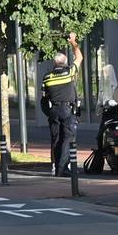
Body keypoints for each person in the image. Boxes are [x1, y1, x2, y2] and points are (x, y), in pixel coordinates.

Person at [41, 33, 83, 177]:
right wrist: (73, 42)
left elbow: (44, 97)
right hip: (66, 109)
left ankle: (57, 166)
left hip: (53, 110)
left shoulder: (47, 77)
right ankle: (62, 168)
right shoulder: (69, 72)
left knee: (56, 139)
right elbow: (79, 58)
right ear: (64, 63)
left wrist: (49, 111)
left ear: (54, 63)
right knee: (68, 138)